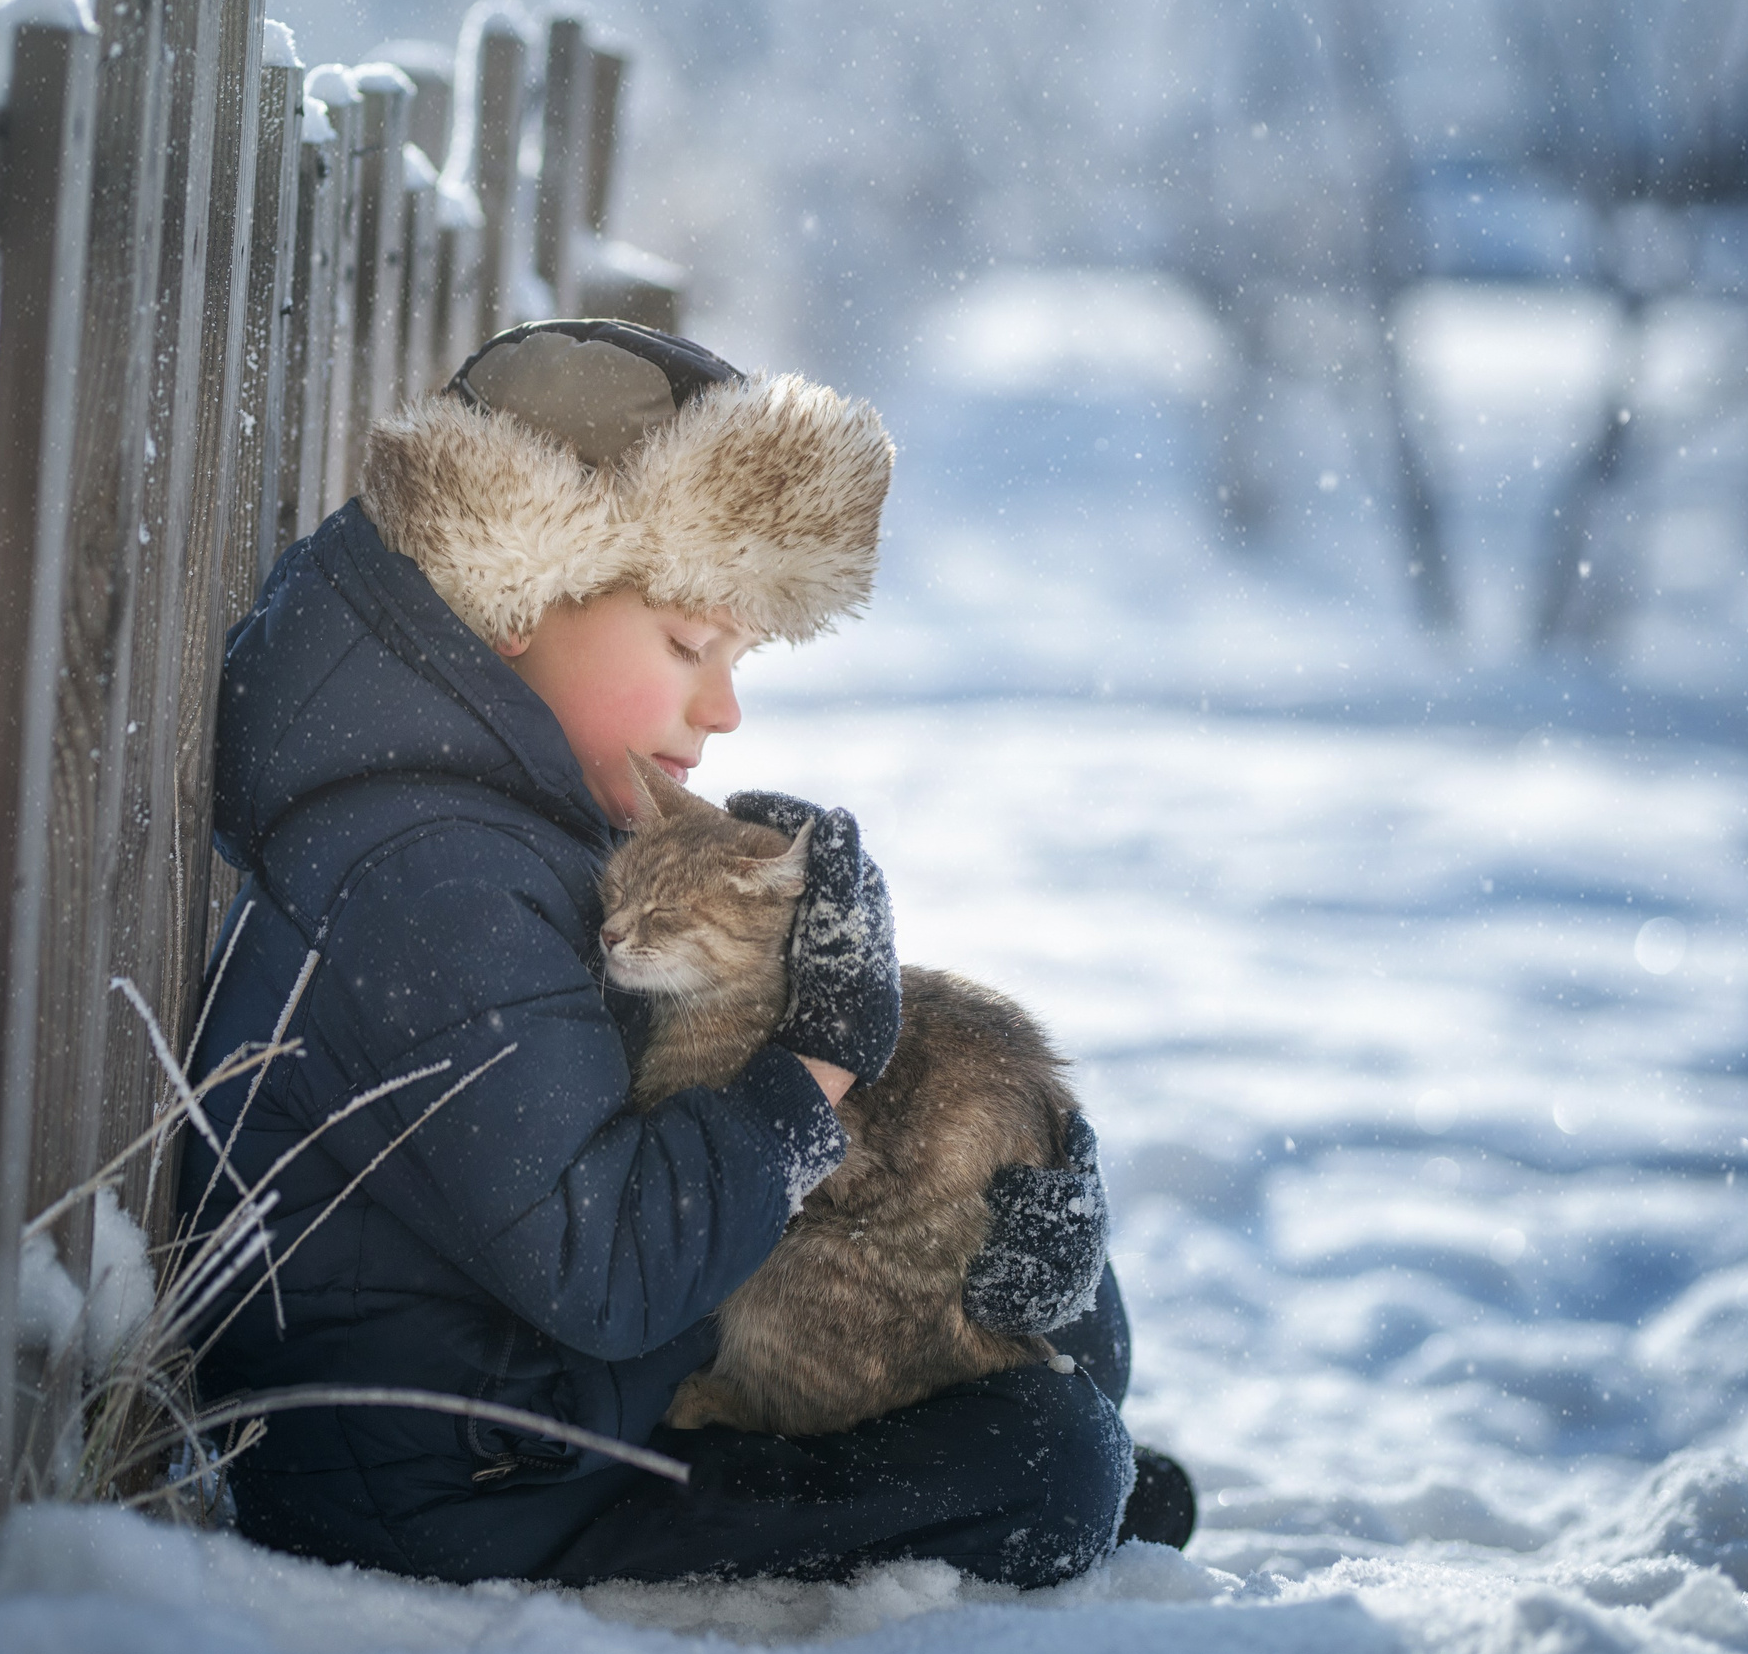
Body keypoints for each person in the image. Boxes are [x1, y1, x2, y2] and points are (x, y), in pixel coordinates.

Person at [178, 319, 1193, 1587]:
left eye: (736, 657)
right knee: (1050, 1462)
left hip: (529, 1406)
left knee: (1064, 1360)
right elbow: (606, 1270)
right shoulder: (435, 872)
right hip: (455, 1493)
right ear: (511, 593)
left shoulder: (493, 816)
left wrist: (987, 1122)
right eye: (685, 645)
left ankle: (1048, 1430)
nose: (723, 708)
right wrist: (819, 1055)